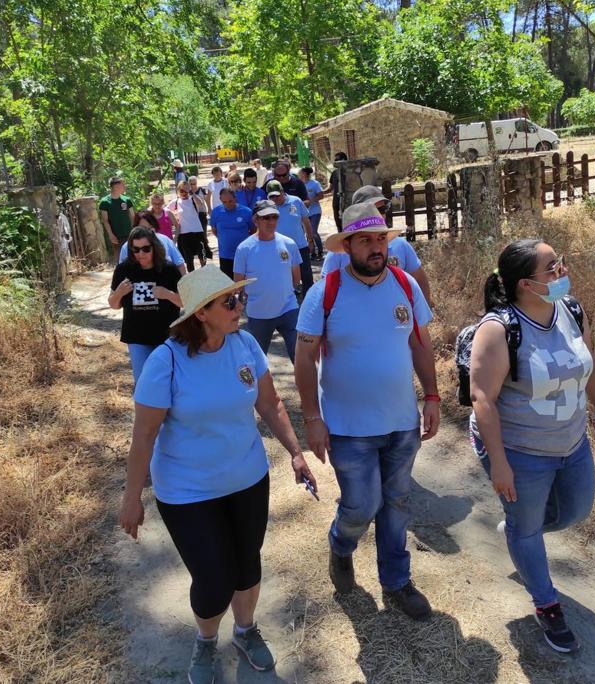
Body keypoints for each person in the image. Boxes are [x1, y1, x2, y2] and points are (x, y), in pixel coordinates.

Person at [119, 265, 317, 684]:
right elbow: (145, 435)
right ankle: (206, 641)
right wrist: (131, 496)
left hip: (247, 479)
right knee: (213, 579)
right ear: (201, 314)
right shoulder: (166, 361)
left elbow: (270, 404)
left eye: (239, 298)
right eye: (229, 301)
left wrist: (296, 454)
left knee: (246, 565)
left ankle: (245, 630)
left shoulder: (243, 344)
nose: (239, 306)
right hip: (187, 492)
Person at [294, 202, 439, 620]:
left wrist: (431, 396)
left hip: (401, 422)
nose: (376, 248)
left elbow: (420, 344)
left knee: (396, 502)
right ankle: (341, 544)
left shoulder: (406, 285)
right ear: (348, 246)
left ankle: (396, 581)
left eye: (381, 239)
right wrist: (312, 418)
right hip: (347, 426)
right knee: (361, 504)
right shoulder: (327, 291)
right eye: (366, 240)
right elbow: (304, 359)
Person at [469, 240, 595, 654]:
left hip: (572, 443)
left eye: (560, 262)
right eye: (553, 268)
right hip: (521, 451)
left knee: (575, 510)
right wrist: (499, 463)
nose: (562, 272)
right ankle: (546, 603)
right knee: (529, 526)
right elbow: (483, 399)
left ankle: (518, 531)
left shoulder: (571, 310)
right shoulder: (498, 330)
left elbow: (590, 364)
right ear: (526, 284)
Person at [321, 186, 433, 307]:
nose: (380, 214)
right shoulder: (337, 254)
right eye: (373, 209)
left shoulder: (400, 245)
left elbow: (420, 280)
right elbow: (326, 290)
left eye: (383, 209)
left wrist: (424, 314)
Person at [108, 226, 182, 383]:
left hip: (167, 336)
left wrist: (167, 295)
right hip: (136, 337)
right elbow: (113, 304)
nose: (140, 254)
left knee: (169, 381)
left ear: (154, 247)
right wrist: (119, 293)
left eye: (146, 249)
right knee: (143, 383)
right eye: (135, 250)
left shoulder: (169, 270)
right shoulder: (123, 270)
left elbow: (185, 302)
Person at [234, 200, 302, 362]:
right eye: (266, 218)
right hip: (259, 314)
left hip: (289, 309)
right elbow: (238, 283)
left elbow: (296, 278)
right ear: (255, 220)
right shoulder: (244, 248)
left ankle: (308, 388)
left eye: (274, 217)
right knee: (257, 362)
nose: (271, 222)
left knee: (300, 357)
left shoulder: (289, 243)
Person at [267, 181, 314, 295]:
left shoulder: (296, 201)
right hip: (280, 249)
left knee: (306, 275)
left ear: (282, 191)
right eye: (271, 196)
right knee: (285, 276)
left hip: (300, 246)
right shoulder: (267, 207)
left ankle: (310, 299)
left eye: (277, 195)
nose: (275, 198)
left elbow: (305, 221)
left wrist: (310, 239)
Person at [119, 211, 186, 277]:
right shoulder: (126, 247)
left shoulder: (166, 240)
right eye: (143, 228)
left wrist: (182, 286)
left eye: (150, 227)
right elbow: (122, 272)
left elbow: (180, 264)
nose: (147, 231)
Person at [209, 188, 254, 279]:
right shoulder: (216, 212)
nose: (228, 204)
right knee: (228, 286)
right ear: (220, 200)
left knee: (245, 283)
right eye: (224, 202)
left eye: (230, 201)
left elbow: (253, 230)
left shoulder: (247, 212)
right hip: (225, 255)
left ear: (235, 198)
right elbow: (214, 230)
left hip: (244, 254)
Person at [168, 181, 207, 273]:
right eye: (182, 190)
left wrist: (192, 193)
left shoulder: (193, 199)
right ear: (177, 191)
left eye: (187, 190)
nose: (184, 193)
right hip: (184, 234)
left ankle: (204, 273)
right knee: (188, 259)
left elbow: (201, 203)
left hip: (197, 231)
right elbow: (166, 211)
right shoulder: (176, 203)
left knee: (202, 256)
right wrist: (174, 219)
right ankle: (192, 277)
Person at [99, 176, 135, 262]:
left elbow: (132, 216)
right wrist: (111, 235)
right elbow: (105, 221)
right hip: (116, 236)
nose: (125, 186)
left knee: (133, 256)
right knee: (120, 259)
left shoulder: (127, 200)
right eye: (123, 185)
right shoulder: (105, 202)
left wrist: (135, 231)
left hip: (129, 234)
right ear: (116, 186)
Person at [298, 166, 325, 260]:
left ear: (304, 174)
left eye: (300, 172)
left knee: (313, 232)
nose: (298, 174)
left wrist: (311, 201)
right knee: (307, 233)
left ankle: (320, 251)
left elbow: (321, 195)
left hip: (315, 211)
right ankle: (312, 252)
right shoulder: (299, 184)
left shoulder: (314, 184)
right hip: (304, 213)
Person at [188, 176, 214, 260]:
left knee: (203, 234)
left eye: (194, 184)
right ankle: (198, 252)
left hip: (201, 214)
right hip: (192, 216)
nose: (192, 186)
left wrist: (209, 209)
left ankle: (205, 253)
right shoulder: (187, 192)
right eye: (191, 184)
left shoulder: (201, 190)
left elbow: (202, 202)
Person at [328, 153, 347, 233]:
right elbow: (330, 188)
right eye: (335, 160)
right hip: (336, 202)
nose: (336, 162)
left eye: (337, 159)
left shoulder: (350, 172)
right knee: (339, 224)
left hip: (347, 201)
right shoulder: (334, 173)